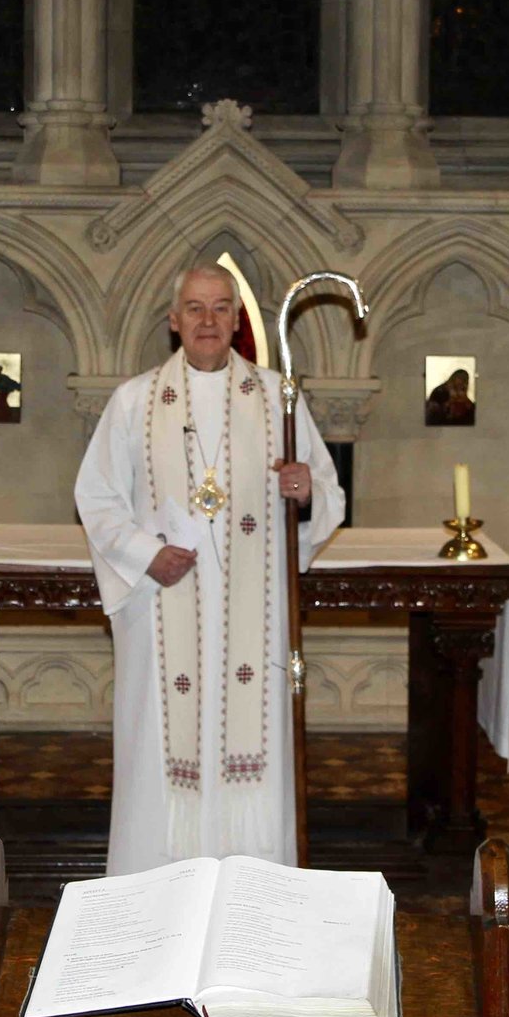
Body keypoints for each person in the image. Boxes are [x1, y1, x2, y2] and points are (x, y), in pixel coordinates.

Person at [74, 262, 345, 875]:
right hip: (163, 612)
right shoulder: (134, 402)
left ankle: (251, 904)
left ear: (237, 320)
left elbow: (327, 494)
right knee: (161, 758)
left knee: (253, 759)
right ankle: (156, 905)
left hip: (256, 620)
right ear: (173, 322)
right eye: (195, 308)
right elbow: (96, 497)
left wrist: (305, 494)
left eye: (221, 308)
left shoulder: (278, 398)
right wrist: (147, 555)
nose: (208, 320)